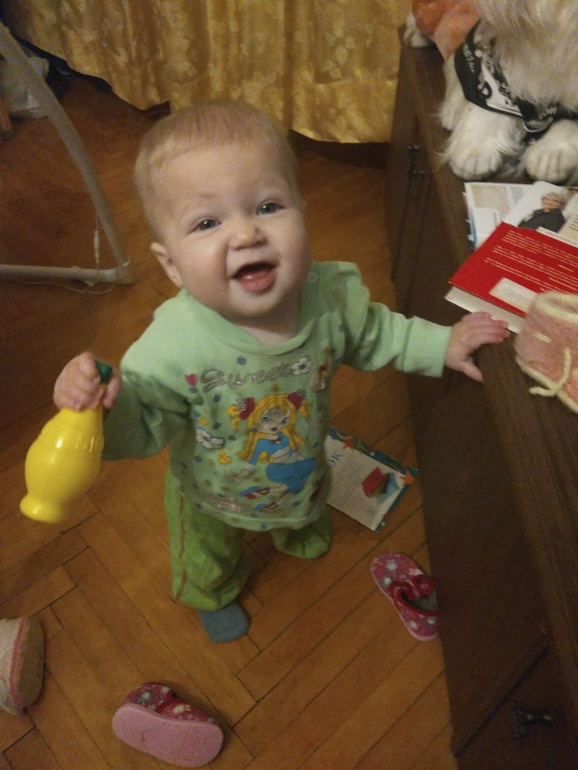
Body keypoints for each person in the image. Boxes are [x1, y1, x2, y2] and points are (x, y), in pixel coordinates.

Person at [53, 101, 509, 644]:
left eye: (268, 206)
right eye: (207, 222)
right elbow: (143, 423)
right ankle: (212, 591)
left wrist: (443, 343)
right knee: (207, 551)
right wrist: (103, 411)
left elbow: (378, 333)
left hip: (301, 463)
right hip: (210, 492)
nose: (247, 233)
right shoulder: (170, 347)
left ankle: (293, 528)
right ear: (172, 265)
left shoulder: (329, 299)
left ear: (302, 212)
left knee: (304, 503)